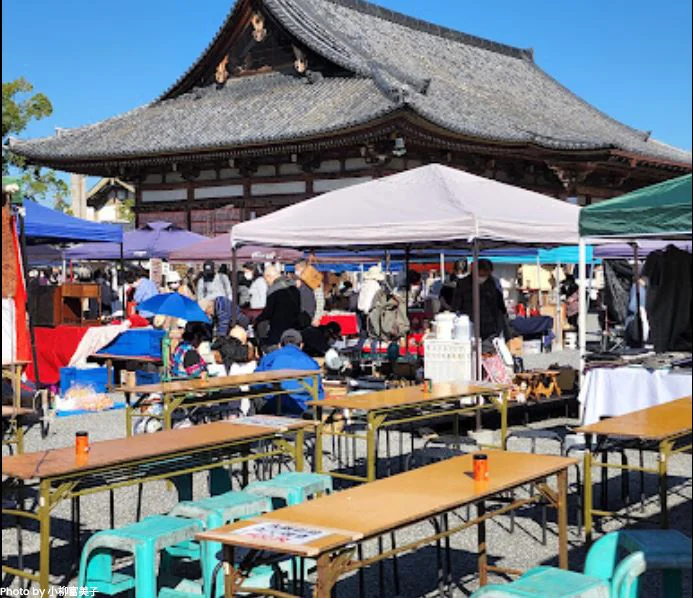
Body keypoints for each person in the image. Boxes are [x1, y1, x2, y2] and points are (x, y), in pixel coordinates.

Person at [255, 329, 324, 416]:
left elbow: (255, 384)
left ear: (280, 345)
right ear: (301, 345)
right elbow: (318, 390)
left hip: (274, 407)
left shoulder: (270, 358)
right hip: (302, 409)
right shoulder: (311, 361)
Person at [452, 259, 507, 348]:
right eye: (482, 272)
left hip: (490, 327)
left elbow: (500, 305)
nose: (485, 275)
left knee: (487, 352)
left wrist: (501, 323)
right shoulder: (463, 283)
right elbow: (456, 305)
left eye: (487, 272)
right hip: (468, 325)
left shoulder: (493, 283)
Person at [255, 265, 302, 349]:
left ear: (269, 277)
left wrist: (258, 319)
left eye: (266, 280)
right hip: (294, 326)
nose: (267, 283)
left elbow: (268, 312)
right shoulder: (293, 286)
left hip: (278, 328)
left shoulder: (274, 289)